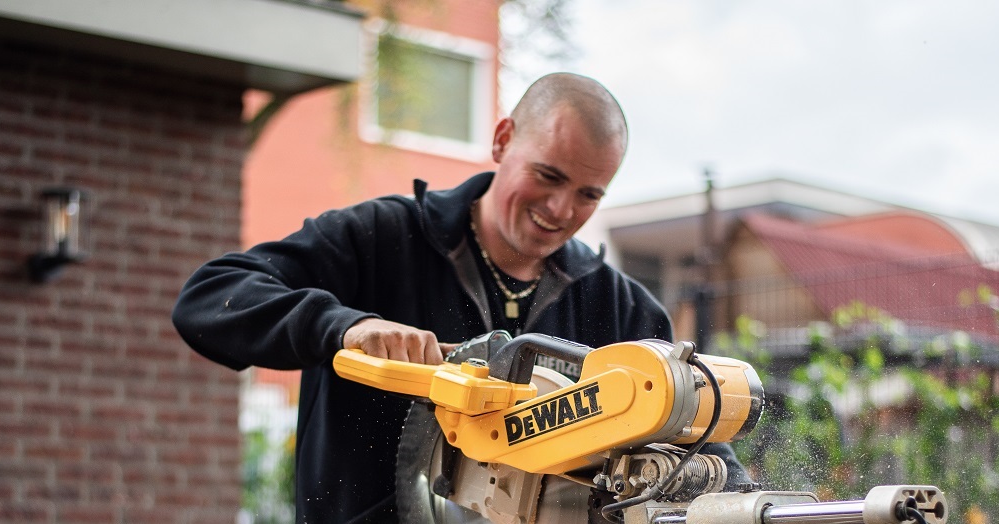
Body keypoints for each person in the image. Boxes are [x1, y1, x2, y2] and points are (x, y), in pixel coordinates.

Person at [173, 73, 741, 523]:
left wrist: (741, 502)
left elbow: (702, 456)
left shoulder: (623, 310)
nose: (562, 210)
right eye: (547, 176)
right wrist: (345, 326)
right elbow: (210, 297)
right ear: (502, 140)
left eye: (589, 194)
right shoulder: (380, 240)